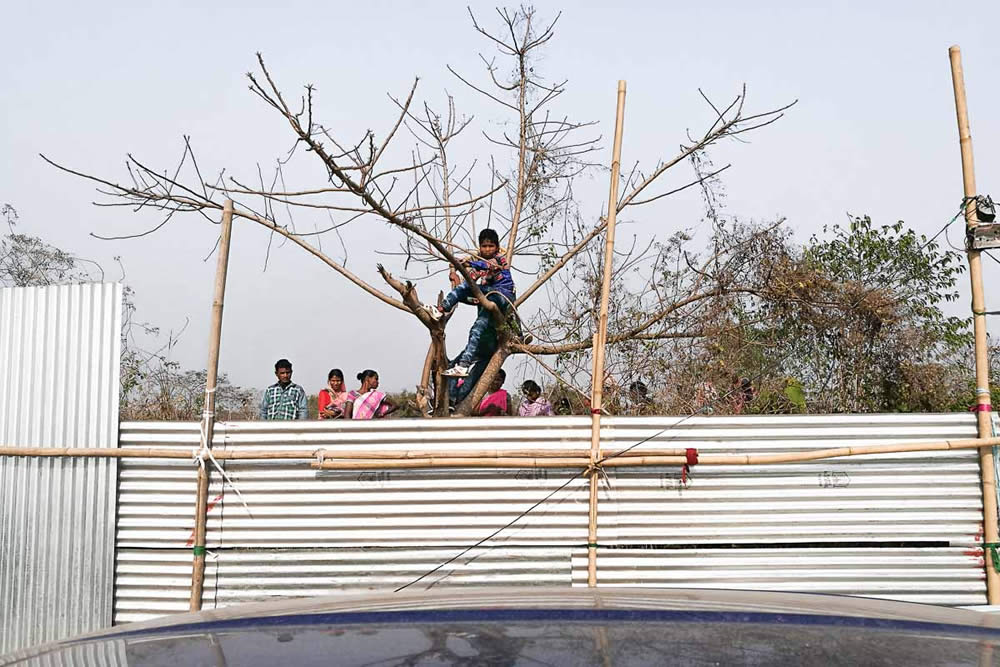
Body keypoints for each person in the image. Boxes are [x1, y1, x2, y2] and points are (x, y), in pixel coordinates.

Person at [423, 228, 515, 378]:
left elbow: (488, 266)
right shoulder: (479, 263)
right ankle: (463, 365)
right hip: (487, 297)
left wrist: (468, 263)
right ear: (480, 247)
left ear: (497, 247)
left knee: (466, 289)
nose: (487, 249)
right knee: (476, 327)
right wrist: (458, 274)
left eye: (491, 246)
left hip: (501, 295)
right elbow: (471, 280)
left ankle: (441, 308)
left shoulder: (499, 259)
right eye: (484, 246)